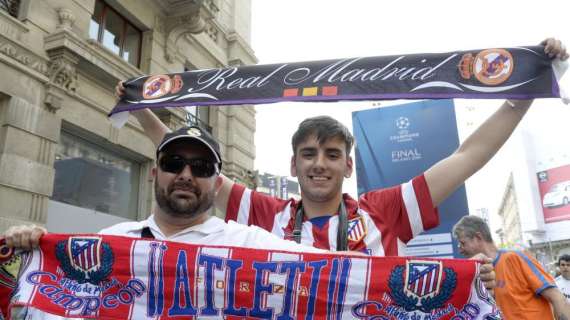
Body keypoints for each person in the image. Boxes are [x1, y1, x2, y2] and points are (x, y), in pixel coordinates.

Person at [116, 38, 568, 256]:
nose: (319, 164)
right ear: (293, 164)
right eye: (309, 154)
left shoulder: (384, 211)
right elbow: (184, 161)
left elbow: (467, 157)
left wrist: (524, 90)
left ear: (348, 165)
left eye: (332, 154)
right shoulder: (264, 213)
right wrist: (138, 107)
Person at [453, 215, 570, 320]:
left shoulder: (514, 258)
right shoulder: (477, 274)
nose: (460, 249)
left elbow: (557, 297)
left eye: (463, 243)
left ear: (478, 237)